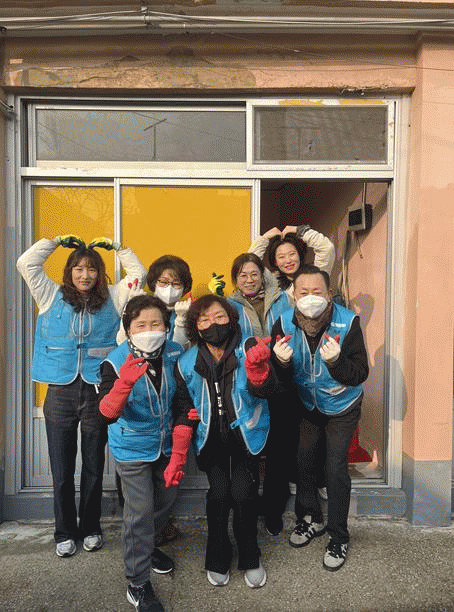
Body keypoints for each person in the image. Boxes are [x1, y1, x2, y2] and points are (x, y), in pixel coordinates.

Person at [16, 234, 146, 558]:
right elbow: (26, 263)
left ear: (99, 273)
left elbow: (138, 275)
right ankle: (64, 531)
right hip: (59, 391)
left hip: (96, 389)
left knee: (93, 465)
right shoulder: (49, 294)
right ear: (69, 271)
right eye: (78, 268)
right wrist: (55, 241)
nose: (85, 275)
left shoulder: (114, 296)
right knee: (61, 470)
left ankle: (91, 527)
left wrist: (120, 248)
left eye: (91, 269)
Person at [164, 295, 277, 589]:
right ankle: (217, 555)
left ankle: (251, 555)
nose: (212, 324)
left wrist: (259, 372)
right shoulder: (186, 362)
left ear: (231, 319)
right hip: (209, 440)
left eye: (219, 317)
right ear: (195, 326)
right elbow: (182, 407)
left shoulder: (249, 349)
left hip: (246, 437)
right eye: (204, 319)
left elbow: (269, 391)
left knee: (243, 494)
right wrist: (178, 453)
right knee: (218, 496)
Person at [271, 264, 369, 571]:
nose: (310, 297)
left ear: (329, 294)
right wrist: (280, 364)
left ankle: (339, 535)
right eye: (304, 292)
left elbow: (359, 374)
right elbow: (278, 379)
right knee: (304, 459)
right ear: (293, 294)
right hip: (307, 404)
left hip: (342, 405)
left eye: (317, 291)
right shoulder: (283, 322)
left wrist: (337, 362)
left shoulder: (347, 321)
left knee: (334, 467)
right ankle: (311, 518)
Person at [99, 295, 184, 612]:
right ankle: (137, 583)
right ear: (129, 329)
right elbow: (106, 415)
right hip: (131, 448)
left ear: (166, 326)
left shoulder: (175, 353)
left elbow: (183, 401)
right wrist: (122, 385)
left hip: (167, 445)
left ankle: (147, 547)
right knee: (139, 514)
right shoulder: (113, 361)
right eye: (141, 325)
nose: (150, 331)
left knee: (165, 501)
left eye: (156, 324)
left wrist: (180, 449)